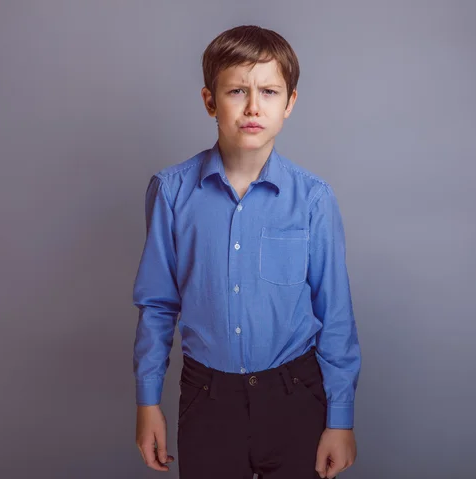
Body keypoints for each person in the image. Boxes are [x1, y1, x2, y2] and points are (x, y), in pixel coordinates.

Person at [133, 25, 361, 479]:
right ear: (209, 101)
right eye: (237, 90)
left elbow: (334, 314)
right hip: (207, 397)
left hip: (295, 394)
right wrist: (148, 401)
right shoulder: (172, 192)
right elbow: (158, 305)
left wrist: (341, 418)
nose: (254, 106)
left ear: (289, 103)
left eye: (270, 91)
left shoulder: (313, 199)